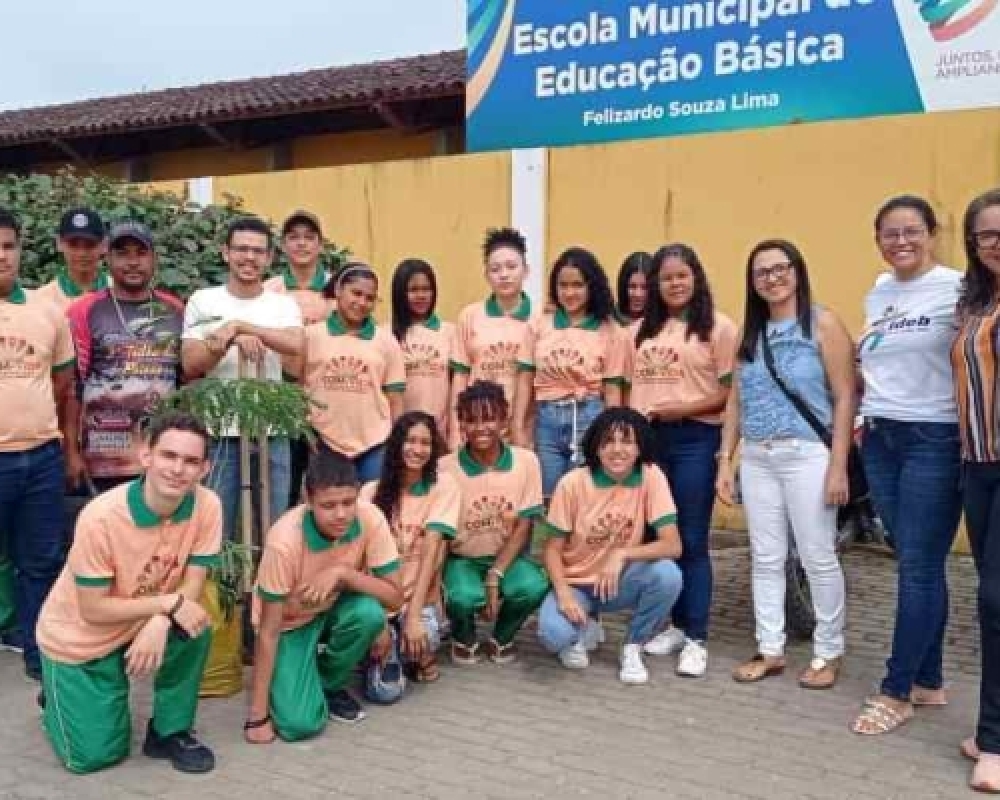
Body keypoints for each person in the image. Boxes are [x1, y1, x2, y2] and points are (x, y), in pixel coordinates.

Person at [35, 411, 222, 775]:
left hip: (136, 620)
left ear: (204, 469)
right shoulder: (101, 516)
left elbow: (194, 580)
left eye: (191, 461)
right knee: (93, 757)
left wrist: (160, 619)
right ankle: (57, 699)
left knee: (195, 622)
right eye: (168, 456)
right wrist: (167, 604)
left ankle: (170, 731)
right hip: (79, 637)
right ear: (145, 456)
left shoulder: (207, 504)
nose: (178, 469)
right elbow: (93, 610)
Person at [716, 239, 852, 690]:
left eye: (781, 268)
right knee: (767, 556)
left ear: (797, 271)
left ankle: (828, 651)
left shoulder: (823, 325)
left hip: (807, 453)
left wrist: (838, 466)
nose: (772, 278)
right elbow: (737, 400)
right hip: (758, 456)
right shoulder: (748, 335)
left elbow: (845, 396)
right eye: (761, 272)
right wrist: (725, 460)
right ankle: (769, 648)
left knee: (817, 556)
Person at [851, 195, 963, 735]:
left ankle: (896, 691)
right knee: (918, 563)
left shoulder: (958, 287)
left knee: (917, 567)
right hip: (880, 436)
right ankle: (930, 680)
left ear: (931, 232)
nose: (900, 242)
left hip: (934, 438)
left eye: (910, 231)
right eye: (889, 233)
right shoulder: (879, 291)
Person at [245, 449, 403, 742]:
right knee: (298, 725)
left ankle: (328, 684)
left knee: (369, 613)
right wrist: (257, 716)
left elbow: (395, 598)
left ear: (358, 492)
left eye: (347, 502)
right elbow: (267, 631)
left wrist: (344, 573)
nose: (341, 514)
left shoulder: (370, 517)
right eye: (328, 505)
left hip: (335, 606)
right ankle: (305, 682)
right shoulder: (284, 540)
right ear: (308, 499)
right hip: (289, 624)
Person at [631, 244, 737, 678]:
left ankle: (696, 636)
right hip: (648, 442)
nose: (674, 284)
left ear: (696, 278)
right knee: (657, 532)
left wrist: (685, 408)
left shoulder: (719, 328)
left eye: (682, 275)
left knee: (691, 538)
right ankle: (670, 624)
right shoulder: (641, 330)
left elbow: (734, 394)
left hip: (696, 437)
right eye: (666, 277)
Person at [180, 216, 304, 543]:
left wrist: (239, 326)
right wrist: (227, 343)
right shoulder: (203, 301)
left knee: (276, 529)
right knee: (216, 529)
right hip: (221, 431)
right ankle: (222, 593)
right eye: (241, 249)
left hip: (272, 430)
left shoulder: (282, 305)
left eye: (258, 251)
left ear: (269, 258)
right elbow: (191, 363)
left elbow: (294, 344)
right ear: (225, 252)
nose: (249, 257)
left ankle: (268, 592)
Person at [537, 407, 683, 684]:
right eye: (608, 442)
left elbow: (672, 545)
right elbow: (552, 549)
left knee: (668, 575)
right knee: (553, 636)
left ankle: (633, 645)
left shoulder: (651, 476)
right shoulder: (572, 483)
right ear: (596, 447)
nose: (617, 450)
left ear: (640, 447)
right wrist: (564, 595)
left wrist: (622, 553)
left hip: (618, 581)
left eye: (627, 441)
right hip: (577, 582)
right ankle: (583, 629)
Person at [0, 208, 77, 681]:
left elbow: (62, 384)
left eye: (8, 246)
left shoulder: (48, 313)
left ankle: (37, 651)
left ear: (20, 250)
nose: (0, 256)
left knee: (40, 562)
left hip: (41, 459)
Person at [66, 221, 184, 492]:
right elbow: (71, 389)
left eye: (141, 253)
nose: (133, 262)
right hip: (105, 454)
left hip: (162, 453)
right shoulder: (84, 311)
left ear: (154, 259)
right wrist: (71, 451)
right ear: (107, 258)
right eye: (123, 253)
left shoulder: (175, 310)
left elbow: (185, 381)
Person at [439, 380, 549, 664]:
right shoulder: (445, 468)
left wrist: (496, 573)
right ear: (460, 422)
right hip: (462, 558)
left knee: (533, 585)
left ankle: (503, 637)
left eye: (489, 418)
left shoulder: (527, 462)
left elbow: (524, 525)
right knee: (462, 596)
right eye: (471, 420)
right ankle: (463, 637)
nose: (480, 428)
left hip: (508, 556)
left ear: (504, 419)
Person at [950, 188, 1000, 792]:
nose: (994, 244)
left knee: (995, 600)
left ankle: (995, 739)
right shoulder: (974, 304)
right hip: (977, 466)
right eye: (984, 235)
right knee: (989, 601)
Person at [513, 246, 626, 497]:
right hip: (547, 422)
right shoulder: (539, 325)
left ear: (591, 286)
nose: (569, 292)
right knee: (547, 496)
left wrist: (612, 435)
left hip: (590, 417)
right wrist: (518, 428)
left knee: (585, 495)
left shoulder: (610, 331)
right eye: (563, 285)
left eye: (577, 285)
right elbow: (524, 379)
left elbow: (612, 389)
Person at [360, 411, 461, 689]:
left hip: (418, 601)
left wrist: (414, 616)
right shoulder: (370, 493)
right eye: (410, 441)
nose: (417, 450)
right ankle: (387, 648)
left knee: (421, 636)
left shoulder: (443, 487)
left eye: (425, 443)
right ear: (396, 444)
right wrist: (378, 620)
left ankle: (407, 653)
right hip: (377, 602)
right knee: (385, 693)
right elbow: (359, 562)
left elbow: (432, 552)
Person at [291, 263, 406, 483]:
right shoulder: (310, 336)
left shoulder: (386, 341)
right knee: (329, 509)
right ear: (337, 291)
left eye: (370, 298)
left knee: (372, 508)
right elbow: (295, 388)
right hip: (323, 442)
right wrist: (306, 432)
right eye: (356, 293)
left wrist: (395, 442)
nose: (362, 302)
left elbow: (395, 399)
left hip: (374, 443)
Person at [264, 210, 333, 509]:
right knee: (285, 481)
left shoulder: (336, 287)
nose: (301, 244)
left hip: (328, 395)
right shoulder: (270, 290)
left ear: (320, 245)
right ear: (283, 245)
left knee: (328, 480)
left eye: (309, 237)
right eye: (294, 237)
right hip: (283, 395)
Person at [450, 227, 536, 447]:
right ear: (486, 275)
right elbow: (460, 376)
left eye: (511, 266)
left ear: (526, 271)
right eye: (495, 269)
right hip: (478, 427)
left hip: (524, 428)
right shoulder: (470, 316)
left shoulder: (539, 319)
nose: (504, 275)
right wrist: (454, 429)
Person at [390, 258, 455, 442]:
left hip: (439, 435)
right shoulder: (385, 334)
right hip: (399, 436)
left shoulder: (450, 332)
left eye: (426, 289)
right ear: (400, 293)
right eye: (413, 290)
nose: (421, 295)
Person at [32, 208, 109, 312]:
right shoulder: (41, 299)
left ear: (104, 245)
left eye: (90, 245)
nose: (82, 253)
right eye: (73, 245)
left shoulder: (120, 291)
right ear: (59, 243)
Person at [616, 251, 653, 325]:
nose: (638, 294)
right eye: (632, 286)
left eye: (645, 287)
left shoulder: (663, 322)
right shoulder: (608, 320)